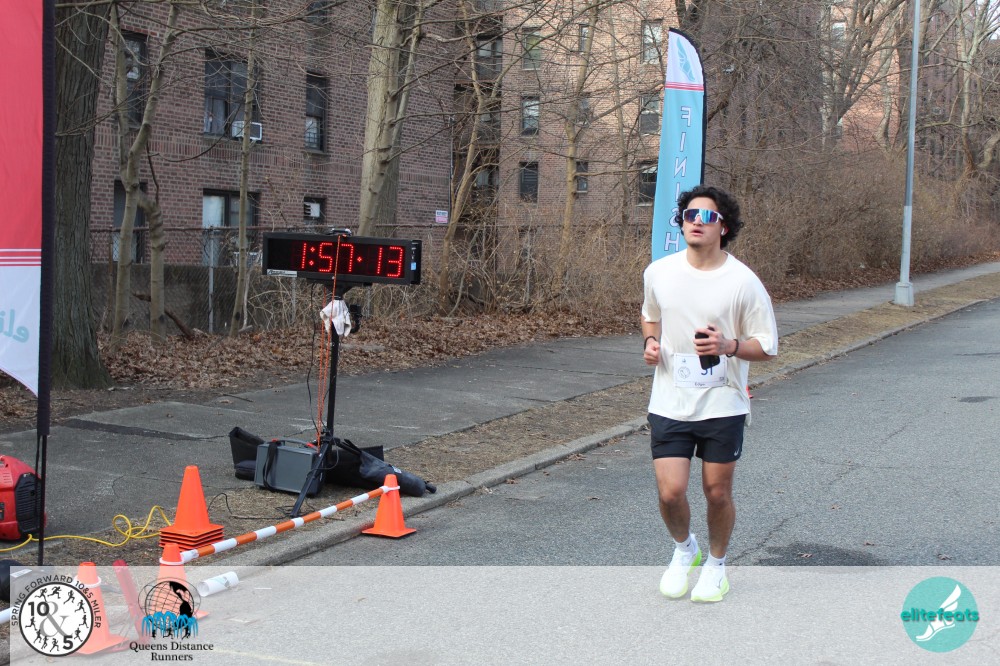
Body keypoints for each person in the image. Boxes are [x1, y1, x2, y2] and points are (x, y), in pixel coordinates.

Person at [641, 185, 778, 602]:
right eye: (689, 215)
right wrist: (650, 342)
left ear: (725, 227)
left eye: (707, 216)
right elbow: (650, 316)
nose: (696, 222)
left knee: (717, 492)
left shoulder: (743, 282)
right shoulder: (658, 272)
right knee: (670, 492)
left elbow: (767, 346)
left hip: (722, 403)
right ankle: (686, 549)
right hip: (670, 400)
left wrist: (728, 346)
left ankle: (717, 565)